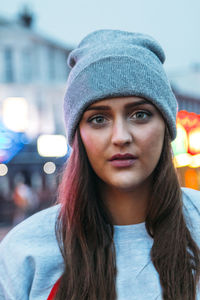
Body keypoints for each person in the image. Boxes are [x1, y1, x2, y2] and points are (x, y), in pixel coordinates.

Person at [0, 29, 200, 300]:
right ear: (78, 134)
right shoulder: (26, 253)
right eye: (98, 119)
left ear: (166, 125)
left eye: (140, 114)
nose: (120, 137)